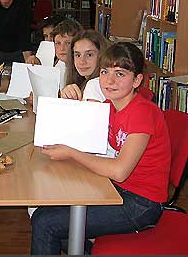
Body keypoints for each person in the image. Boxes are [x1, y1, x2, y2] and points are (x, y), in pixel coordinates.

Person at [30, 42, 171, 255]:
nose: (109, 80)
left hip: (141, 204)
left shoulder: (142, 113)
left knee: (45, 223)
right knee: (45, 216)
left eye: (120, 74)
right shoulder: (110, 105)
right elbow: (75, 130)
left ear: (137, 80)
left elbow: (119, 171)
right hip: (116, 189)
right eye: (105, 72)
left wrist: (70, 153)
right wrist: (66, 99)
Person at [60, 29, 109, 102]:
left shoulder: (96, 84)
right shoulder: (79, 83)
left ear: (102, 56)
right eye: (78, 55)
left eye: (89, 55)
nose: (82, 62)